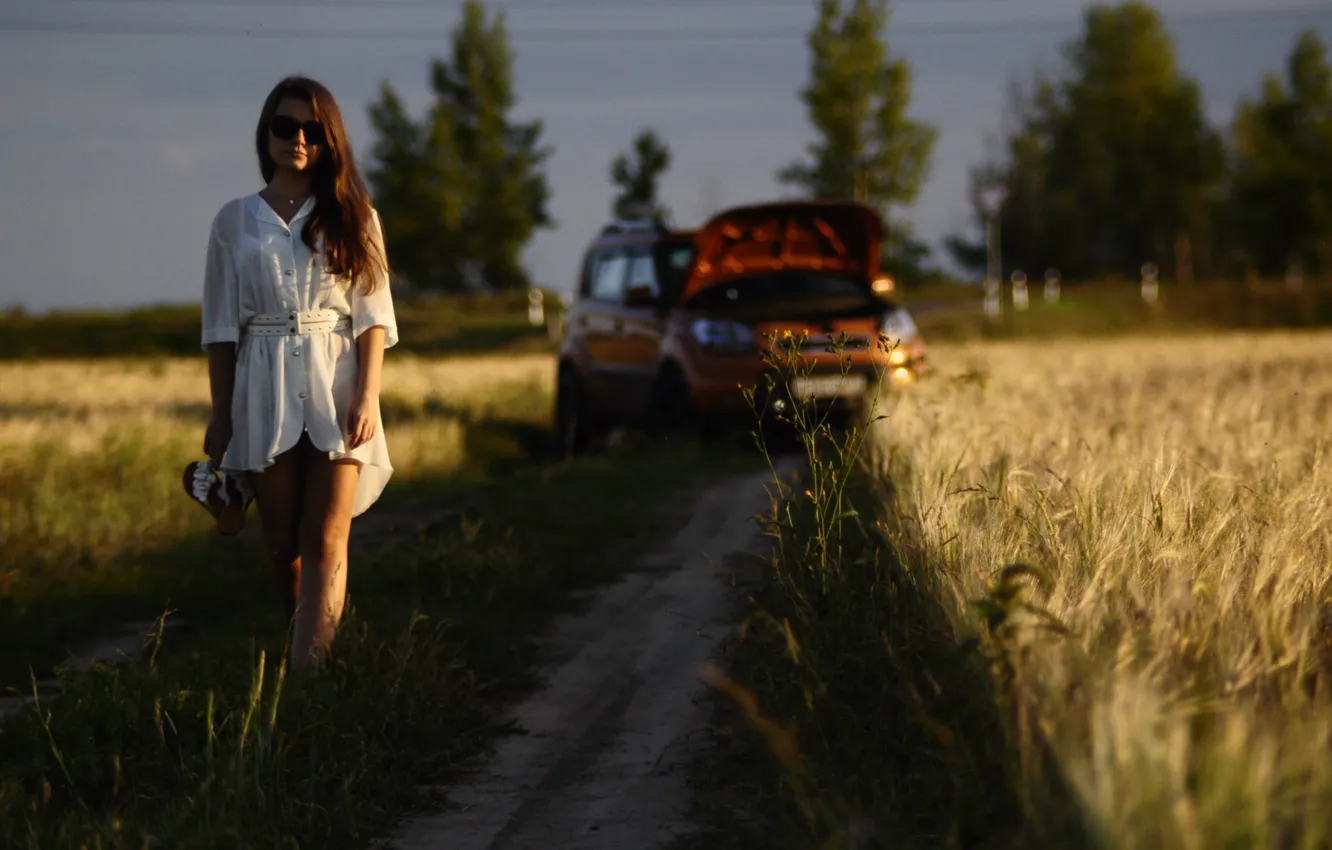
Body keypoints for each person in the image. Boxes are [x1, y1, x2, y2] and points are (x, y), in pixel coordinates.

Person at [196, 75, 398, 669]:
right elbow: (220, 329)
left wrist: (368, 394)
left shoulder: (355, 216)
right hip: (262, 386)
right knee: (284, 544)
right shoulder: (233, 222)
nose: (299, 139)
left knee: (328, 535)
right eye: (286, 127)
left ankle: (311, 678)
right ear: (267, 134)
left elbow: (374, 317)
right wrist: (221, 414)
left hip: (337, 382)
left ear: (329, 139)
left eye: (312, 129)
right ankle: (314, 647)